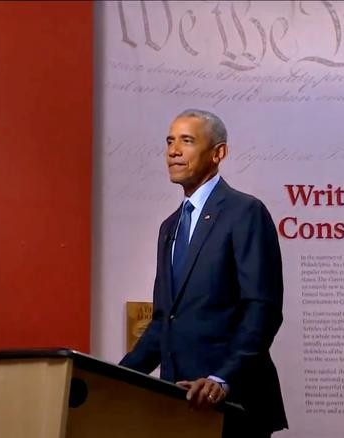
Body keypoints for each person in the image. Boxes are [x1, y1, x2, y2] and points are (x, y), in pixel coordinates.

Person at [119, 109, 288, 437]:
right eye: (170, 141)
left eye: (187, 141)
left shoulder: (245, 212)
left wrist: (221, 378)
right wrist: (116, 376)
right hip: (177, 405)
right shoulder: (169, 227)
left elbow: (262, 309)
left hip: (233, 405)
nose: (173, 151)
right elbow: (163, 321)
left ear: (218, 153)